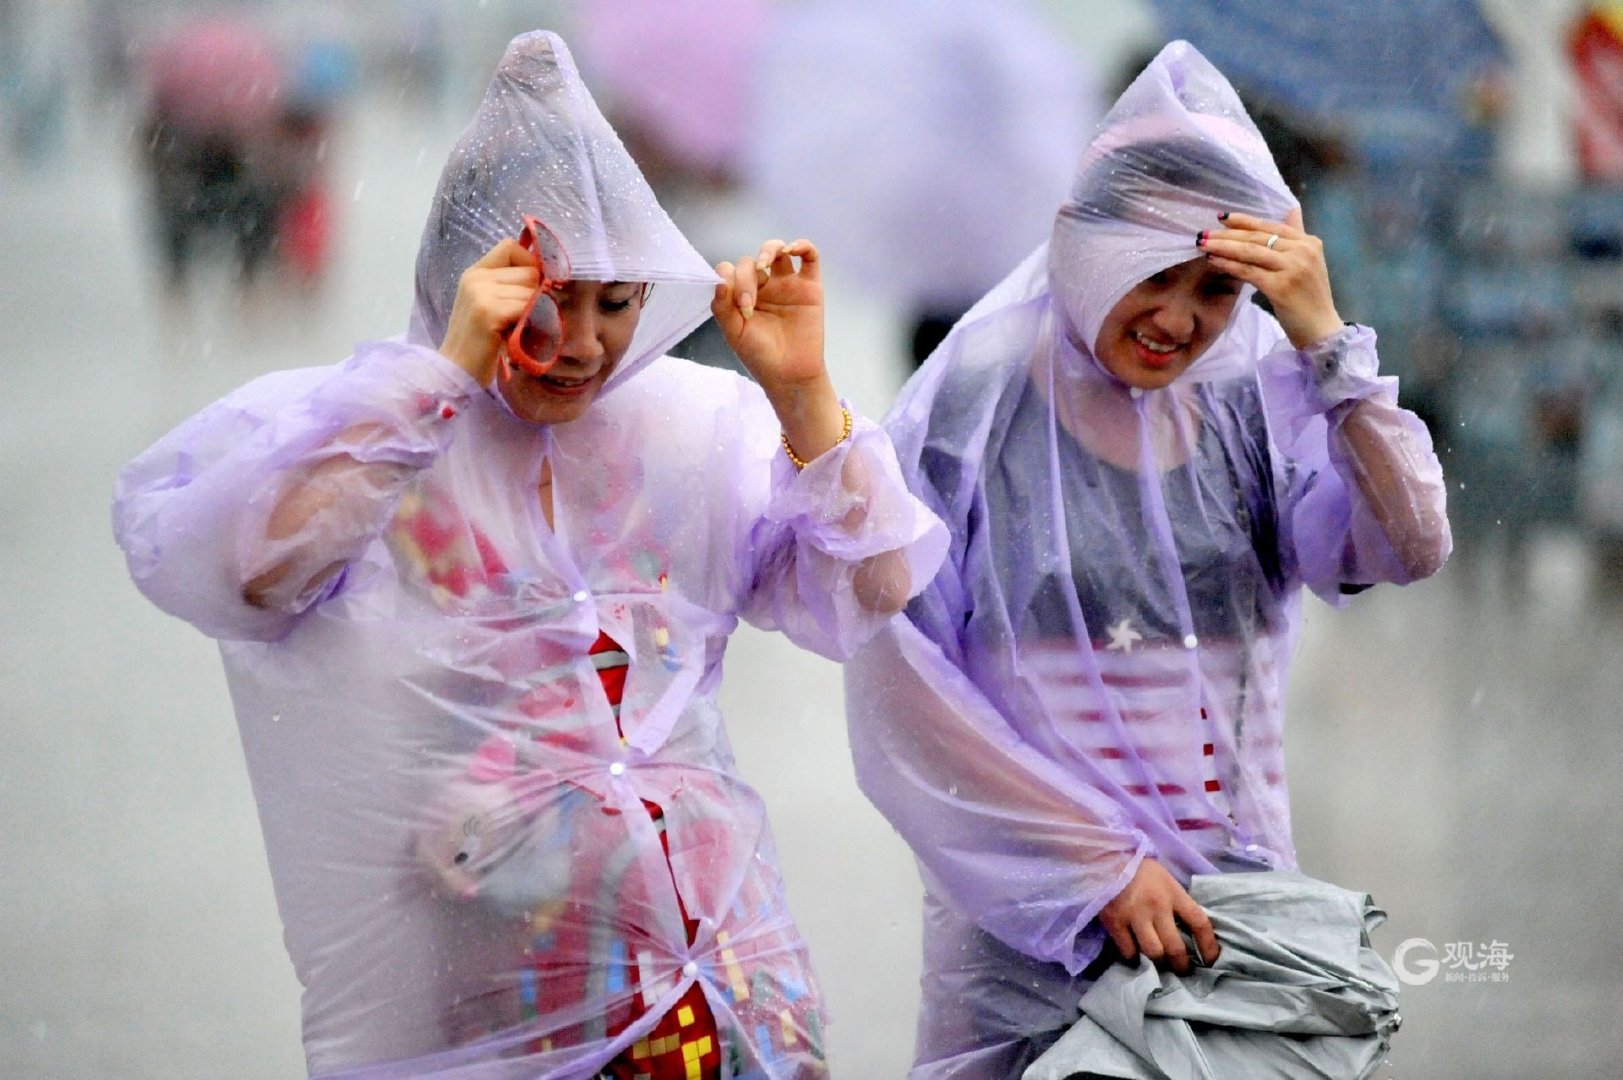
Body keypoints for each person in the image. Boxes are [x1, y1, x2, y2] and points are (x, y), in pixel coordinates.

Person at [114, 31, 944, 1079]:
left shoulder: (686, 429)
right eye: (552, 297)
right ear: (474, 282)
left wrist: (803, 396)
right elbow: (249, 577)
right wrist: (444, 380)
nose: (588, 343)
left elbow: (873, 589)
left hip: (720, 969)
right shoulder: (382, 438)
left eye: (618, 300)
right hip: (504, 979)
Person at [843, 40, 1451, 1078]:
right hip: (1030, 922)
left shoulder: (1255, 391)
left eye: (1218, 289)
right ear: (1088, 241)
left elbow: (1403, 546)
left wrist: (1328, 349)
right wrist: (1091, 870)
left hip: (1225, 914)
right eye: (1153, 273)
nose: (1178, 319)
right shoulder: (974, 407)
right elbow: (904, 684)